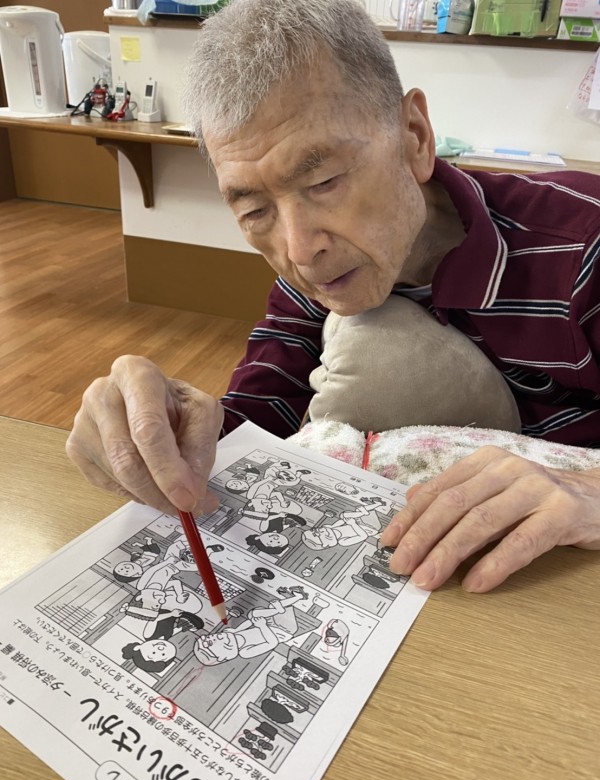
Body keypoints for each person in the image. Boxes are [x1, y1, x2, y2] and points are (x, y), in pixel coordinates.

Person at [66, 0, 600, 595]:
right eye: (253, 209)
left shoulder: (584, 247)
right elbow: (254, 431)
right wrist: (165, 426)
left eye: (323, 182)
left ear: (415, 138)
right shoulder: (317, 281)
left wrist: (589, 493)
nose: (299, 250)